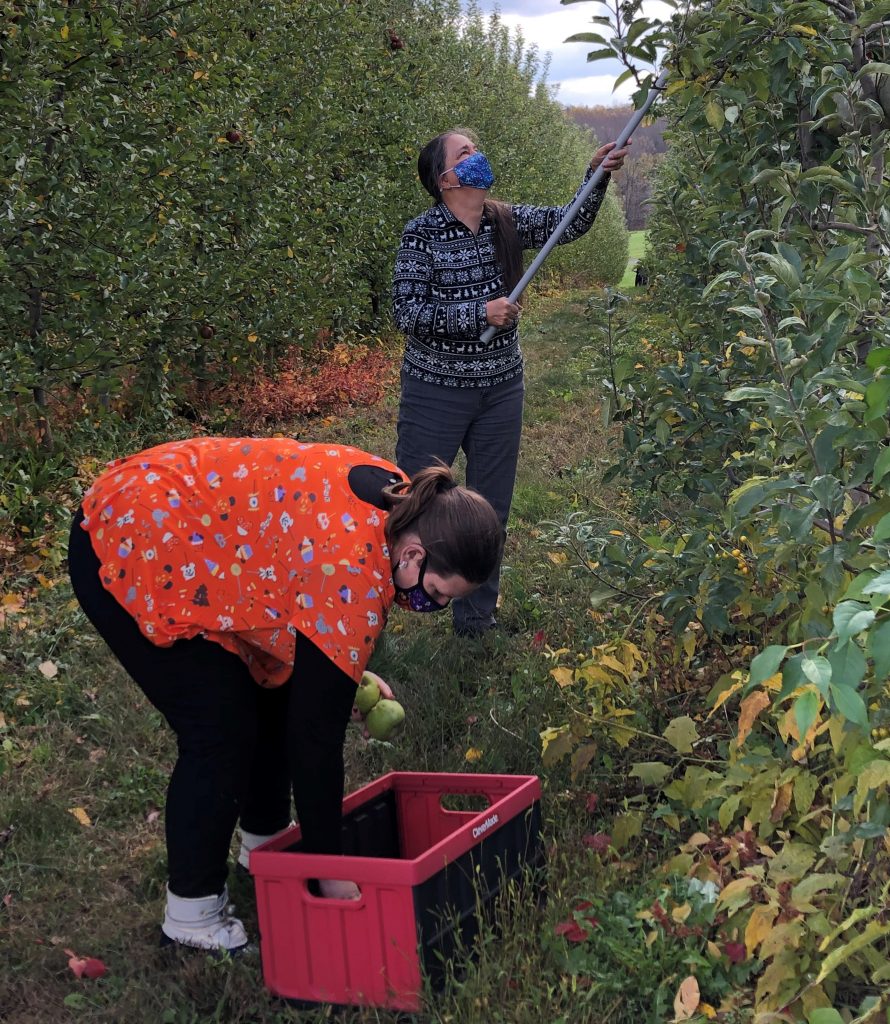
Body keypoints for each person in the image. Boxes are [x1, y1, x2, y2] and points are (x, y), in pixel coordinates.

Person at [67, 436, 503, 952]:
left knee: (272, 689)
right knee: (220, 729)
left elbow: (306, 598)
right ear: (413, 554)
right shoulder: (352, 569)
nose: (432, 608)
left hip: (188, 521)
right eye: (435, 593)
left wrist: (340, 675)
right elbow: (315, 739)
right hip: (133, 533)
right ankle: (192, 918)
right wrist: (330, 871)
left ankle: (267, 846)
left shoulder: (403, 501)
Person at [392, 130, 629, 637]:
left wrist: (596, 176)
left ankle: (476, 620)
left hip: (500, 390)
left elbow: (569, 222)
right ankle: (379, 603)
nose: (476, 157)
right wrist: (479, 313)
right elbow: (407, 312)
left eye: (476, 148)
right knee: (408, 501)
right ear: (444, 179)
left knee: (490, 509)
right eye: (464, 153)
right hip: (436, 392)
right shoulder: (421, 235)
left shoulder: (505, 220)